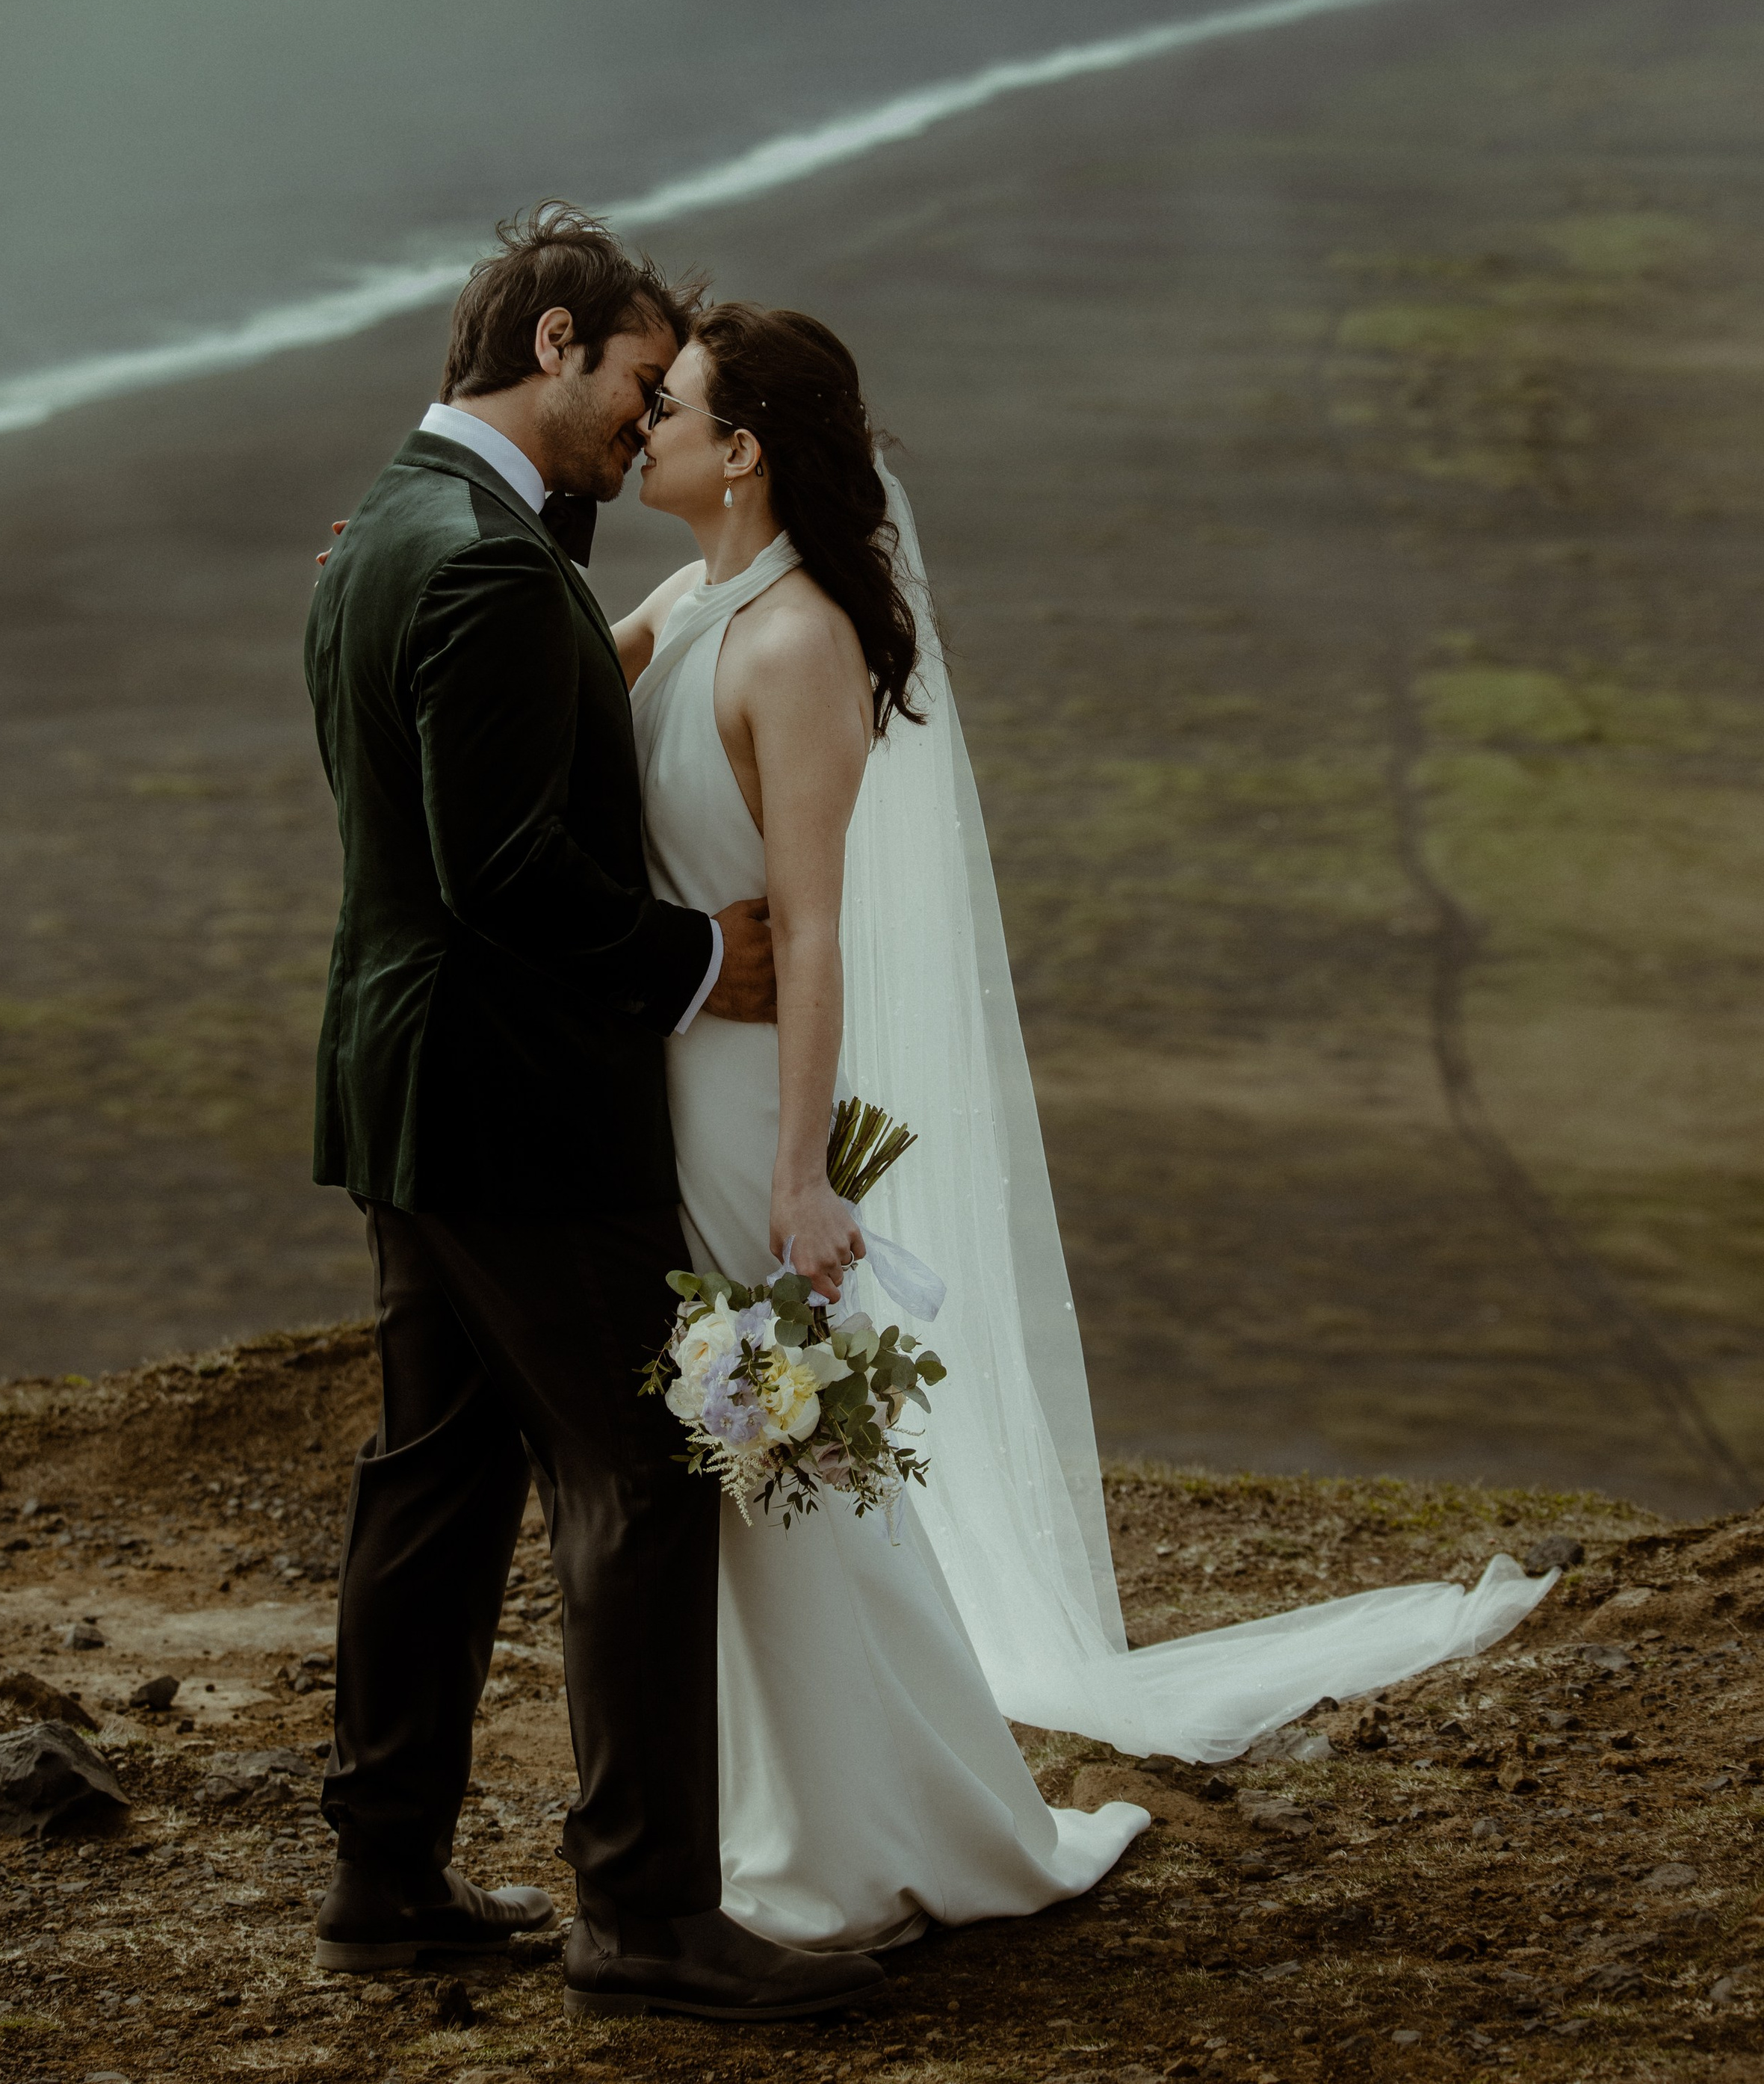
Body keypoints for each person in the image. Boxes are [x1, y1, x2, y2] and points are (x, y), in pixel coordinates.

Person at [618, 298, 1556, 1952]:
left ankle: (878, 1831)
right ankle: (788, 1808)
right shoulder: (693, 601)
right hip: (667, 1089)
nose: (644, 426)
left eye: (671, 406)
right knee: (738, 1471)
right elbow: (549, 662)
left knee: (793, 1466)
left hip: (746, 1106)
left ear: (741, 449)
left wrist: (800, 1171)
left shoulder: (797, 641)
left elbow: (819, 930)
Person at [303, 208, 886, 2022]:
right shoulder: (474, 563)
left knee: (439, 1470)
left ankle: (384, 1872)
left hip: (406, 1082)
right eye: (634, 377)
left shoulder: (396, 527)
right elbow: (499, 868)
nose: (643, 421)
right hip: (514, 1100)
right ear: (552, 345)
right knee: (636, 1466)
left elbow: (519, 678)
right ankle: (641, 1907)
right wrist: (700, 956)